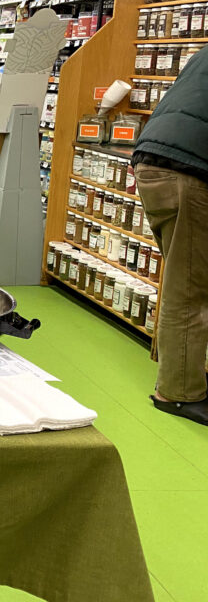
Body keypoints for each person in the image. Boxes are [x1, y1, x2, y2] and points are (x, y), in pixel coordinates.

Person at [132, 45, 208, 426]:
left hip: (154, 161)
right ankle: (177, 394)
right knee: (190, 290)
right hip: (188, 172)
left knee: (186, 280)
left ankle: (186, 370)